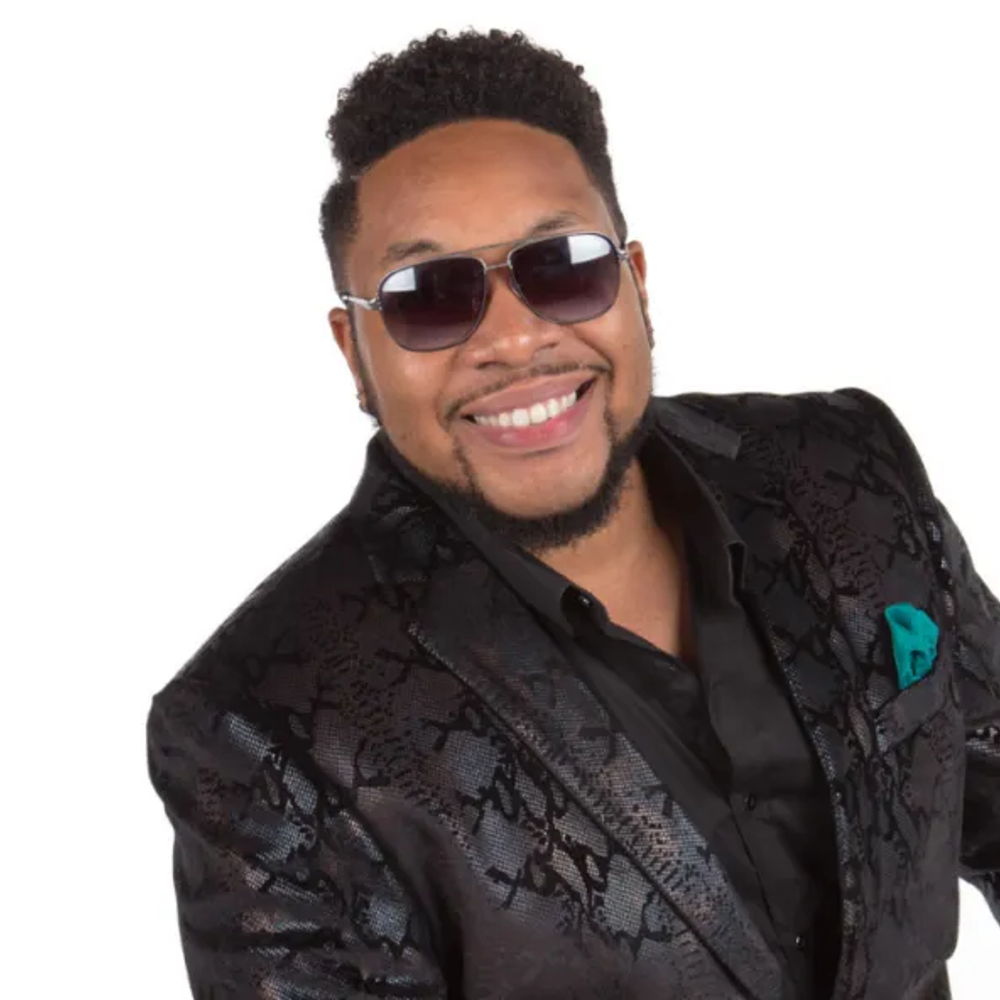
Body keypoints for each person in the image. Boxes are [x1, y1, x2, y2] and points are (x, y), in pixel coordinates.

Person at [145, 26, 999, 1000]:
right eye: (428, 296)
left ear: (635, 281)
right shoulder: (261, 726)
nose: (514, 338)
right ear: (355, 351)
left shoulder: (847, 468)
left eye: (561, 264)